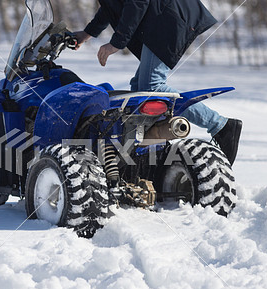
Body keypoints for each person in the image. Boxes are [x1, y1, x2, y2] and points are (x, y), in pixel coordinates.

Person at [74, 0, 242, 165]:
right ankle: (147, 151)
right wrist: (87, 33)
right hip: (162, 19)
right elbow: (111, 5)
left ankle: (220, 125)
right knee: (140, 89)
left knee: (152, 87)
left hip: (168, 19)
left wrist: (116, 43)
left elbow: (136, 3)